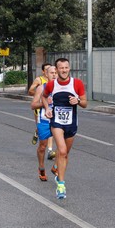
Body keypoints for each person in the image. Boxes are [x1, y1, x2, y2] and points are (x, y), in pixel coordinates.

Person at [41, 58, 87, 199]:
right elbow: (44, 96)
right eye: (61, 68)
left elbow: (85, 103)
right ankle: (61, 185)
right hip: (57, 122)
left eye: (66, 67)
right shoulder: (51, 85)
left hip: (71, 123)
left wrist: (78, 101)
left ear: (69, 68)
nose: (64, 70)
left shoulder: (77, 83)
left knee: (65, 154)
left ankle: (56, 168)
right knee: (61, 151)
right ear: (57, 69)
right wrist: (47, 108)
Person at [30, 65, 57, 181]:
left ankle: (56, 166)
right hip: (44, 120)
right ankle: (41, 167)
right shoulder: (41, 88)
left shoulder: (63, 88)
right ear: (46, 74)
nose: (54, 75)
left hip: (58, 121)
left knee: (63, 147)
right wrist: (44, 103)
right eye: (52, 73)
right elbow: (33, 105)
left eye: (56, 72)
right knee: (42, 146)